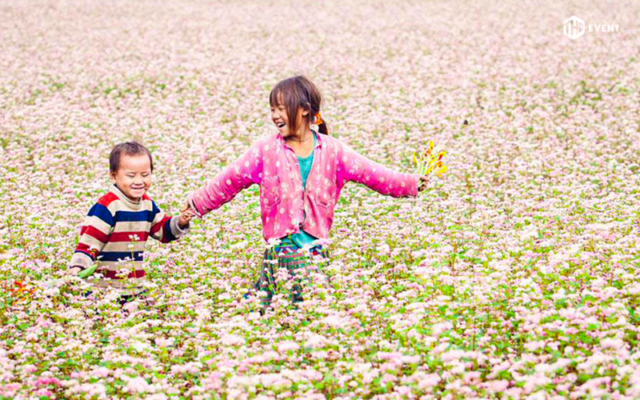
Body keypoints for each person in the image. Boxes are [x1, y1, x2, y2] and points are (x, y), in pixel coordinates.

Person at [186, 76, 428, 307]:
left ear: (303, 109)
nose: (275, 116)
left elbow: (374, 174)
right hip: (279, 253)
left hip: (314, 253)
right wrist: (196, 204)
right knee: (279, 315)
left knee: (304, 317)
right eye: (272, 109)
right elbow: (229, 180)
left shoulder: (332, 150)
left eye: (280, 108)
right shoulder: (265, 150)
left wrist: (410, 183)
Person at [68, 141, 193, 305]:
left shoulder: (147, 204)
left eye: (145, 174)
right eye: (131, 175)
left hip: (133, 287)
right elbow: (89, 243)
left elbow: (162, 230)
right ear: (113, 176)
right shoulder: (107, 206)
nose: (139, 181)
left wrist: (180, 222)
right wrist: (78, 267)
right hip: (102, 291)